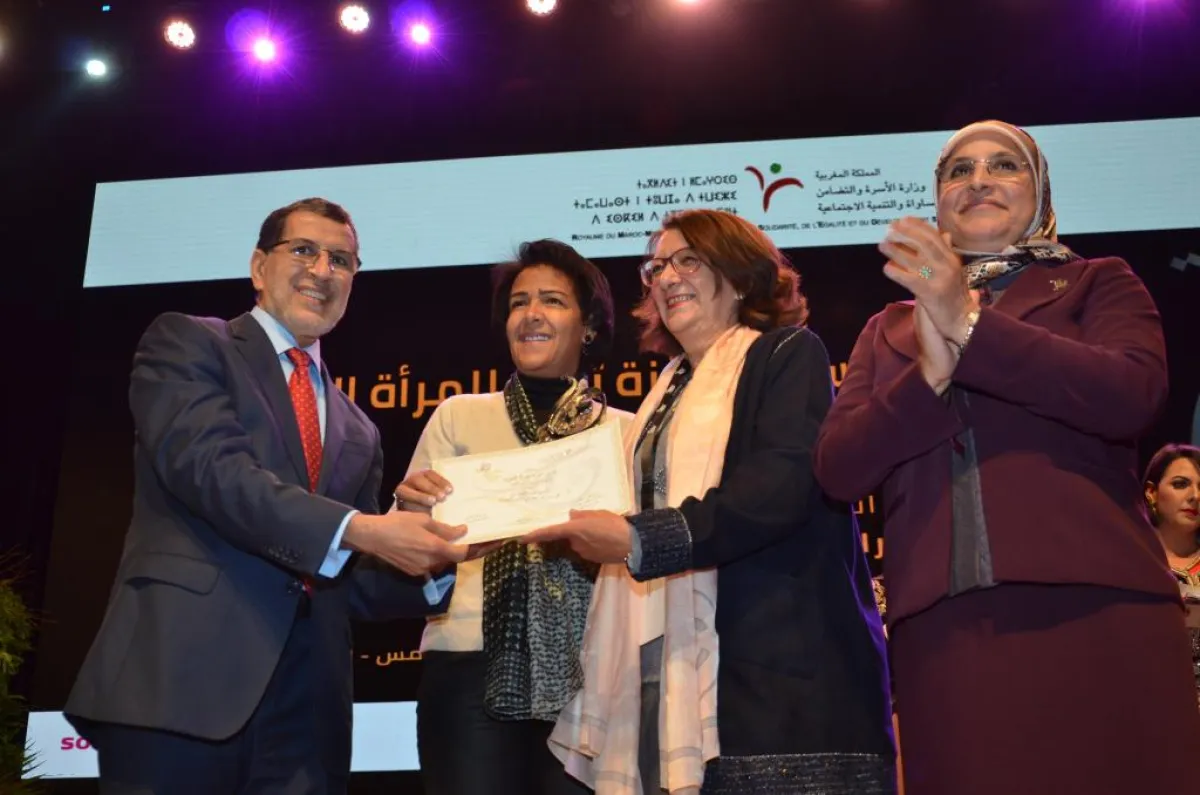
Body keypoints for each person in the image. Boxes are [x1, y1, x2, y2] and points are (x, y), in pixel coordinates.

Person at [813, 120, 1200, 794]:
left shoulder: (1097, 283)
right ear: (938, 202)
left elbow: (1131, 394)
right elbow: (838, 469)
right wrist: (927, 378)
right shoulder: (888, 329)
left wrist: (968, 327)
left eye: (1003, 165)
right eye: (958, 171)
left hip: (1100, 608)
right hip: (945, 633)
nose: (979, 180)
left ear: (1040, 192)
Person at [65, 197, 472, 795]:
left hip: (306, 720)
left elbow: (350, 580)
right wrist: (364, 530)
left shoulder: (359, 428)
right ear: (259, 267)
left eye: (341, 260)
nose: (323, 270)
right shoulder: (189, 342)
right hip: (181, 683)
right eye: (303, 250)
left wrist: (431, 551)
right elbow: (211, 471)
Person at [523, 209, 896, 794]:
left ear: (740, 275)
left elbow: (779, 489)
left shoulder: (786, 354)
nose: (666, 277)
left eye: (688, 261)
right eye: (656, 267)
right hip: (660, 666)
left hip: (773, 672)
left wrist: (640, 539)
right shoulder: (665, 391)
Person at [393, 239, 632, 795]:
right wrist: (411, 513)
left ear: (589, 325)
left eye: (553, 300)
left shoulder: (625, 433)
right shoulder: (459, 417)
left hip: (591, 675)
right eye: (519, 302)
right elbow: (405, 550)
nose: (531, 314)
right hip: (469, 670)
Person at [1143, 443, 1200, 707]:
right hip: (1150, 700)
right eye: (1180, 484)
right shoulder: (1132, 563)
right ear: (1151, 493)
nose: (1195, 496)